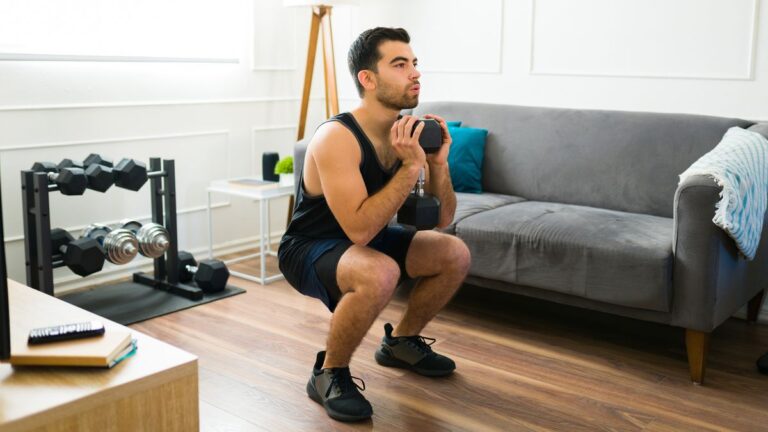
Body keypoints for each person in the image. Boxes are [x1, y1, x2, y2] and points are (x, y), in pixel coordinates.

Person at [278, 27, 471, 422]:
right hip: (311, 246)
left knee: (454, 253)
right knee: (380, 271)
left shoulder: (408, 132)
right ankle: (328, 372)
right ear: (368, 79)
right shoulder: (337, 137)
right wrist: (411, 166)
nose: (414, 73)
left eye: (414, 63)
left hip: (367, 238)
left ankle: (400, 343)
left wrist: (436, 162)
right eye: (399, 65)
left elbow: (444, 219)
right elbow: (360, 232)